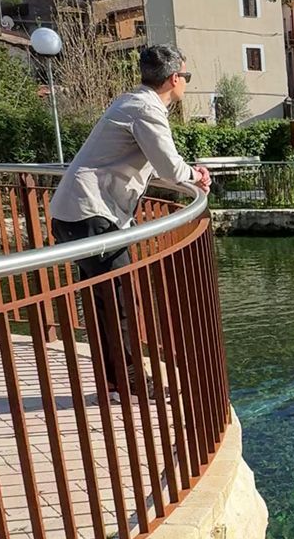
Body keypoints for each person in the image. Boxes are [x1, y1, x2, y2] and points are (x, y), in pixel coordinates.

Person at [49, 44, 211, 398]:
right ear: (174, 79)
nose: (185, 82)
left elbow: (156, 167)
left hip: (78, 213)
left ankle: (115, 380)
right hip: (91, 213)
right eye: (186, 76)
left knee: (106, 299)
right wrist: (196, 177)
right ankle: (130, 381)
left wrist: (188, 176)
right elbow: (169, 166)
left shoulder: (133, 102)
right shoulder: (145, 109)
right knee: (120, 300)